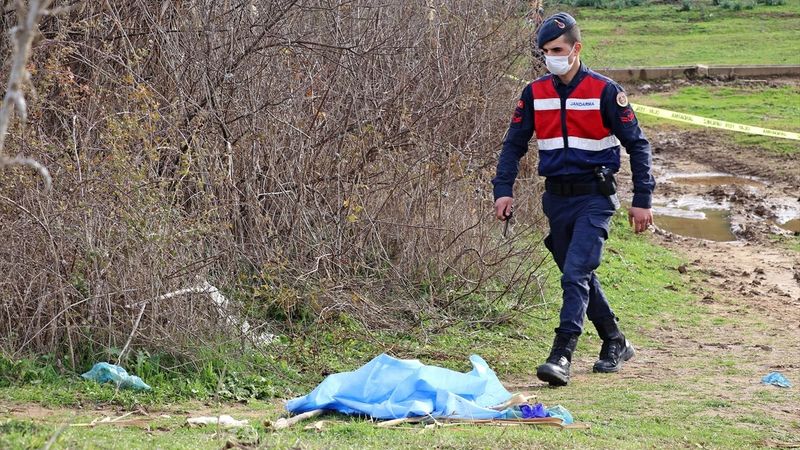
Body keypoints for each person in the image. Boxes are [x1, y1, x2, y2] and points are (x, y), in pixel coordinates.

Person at [492, 12, 655, 387]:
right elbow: (513, 146)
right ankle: (615, 340)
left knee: (575, 274)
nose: (551, 56)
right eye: (546, 51)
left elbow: (638, 146)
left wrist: (643, 198)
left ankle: (561, 353)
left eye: (558, 49)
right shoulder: (534, 93)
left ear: (576, 48)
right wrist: (503, 190)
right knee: (577, 275)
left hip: (595, 197)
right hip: (556, 200)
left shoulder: (605, 91)